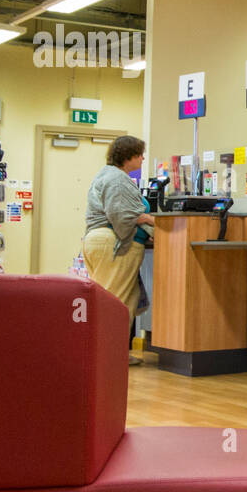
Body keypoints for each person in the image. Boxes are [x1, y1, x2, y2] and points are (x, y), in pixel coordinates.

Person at [82, 135, 156, 365]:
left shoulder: (105, 175)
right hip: (113, 243)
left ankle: (110, 352)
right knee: (117, 302)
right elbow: (123, 216)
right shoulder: (117, 179)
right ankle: (108, 356)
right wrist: (147, 219)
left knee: (125, 298)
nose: (143, 158)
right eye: (139, 154)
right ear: (129, 156)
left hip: (97, 241)